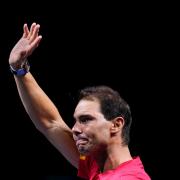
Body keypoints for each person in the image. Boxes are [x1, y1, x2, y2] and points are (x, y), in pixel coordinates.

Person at [9, 22, 151, 180]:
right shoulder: (96, 165)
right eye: (76, 120)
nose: (75, 129)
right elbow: (50, 123)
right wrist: (18, 68)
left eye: (86, 119)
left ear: (116, 125)